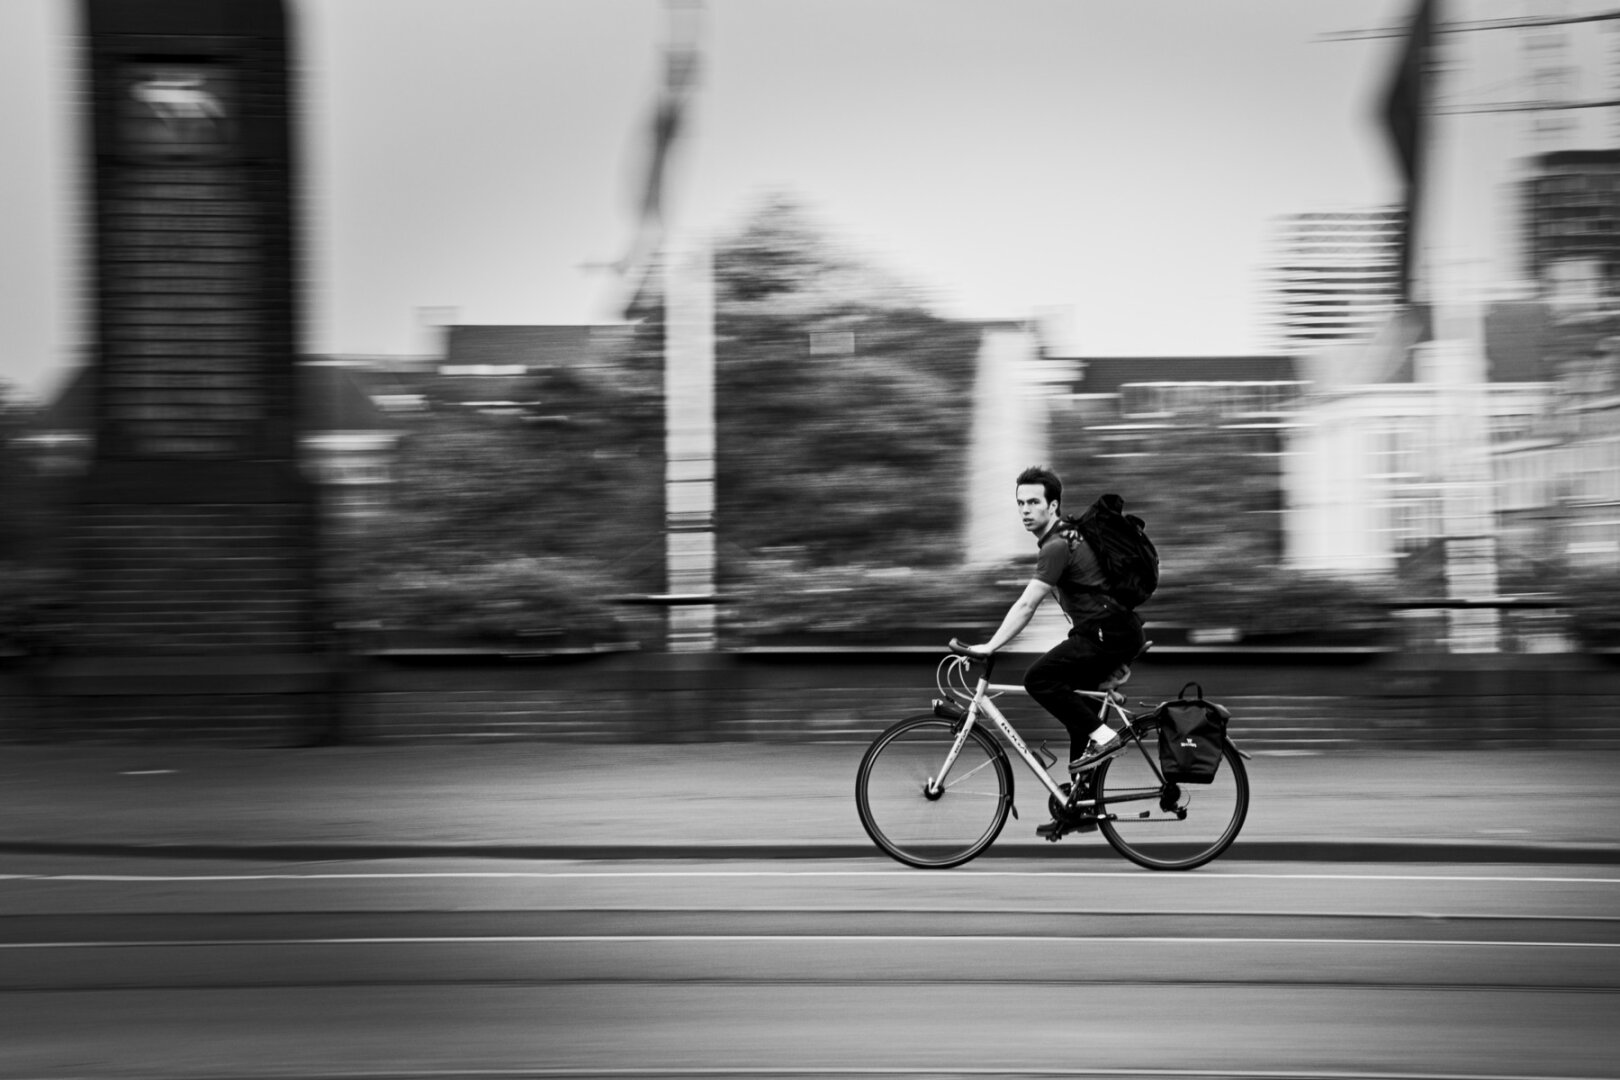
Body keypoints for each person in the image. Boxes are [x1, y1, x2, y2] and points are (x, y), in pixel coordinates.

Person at [968, 466, 1146, 834]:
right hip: (1109, 632)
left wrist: (990, 645)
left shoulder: (1056, 546)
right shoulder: (1067, 538)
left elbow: (1026, 606)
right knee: (1077, 708)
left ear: (1053, 506)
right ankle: (1079, 807)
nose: (1025, 510)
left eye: (1034, 502)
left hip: (1104, 633)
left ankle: (1105, 739)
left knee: (1040, 679)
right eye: (1020, 503)